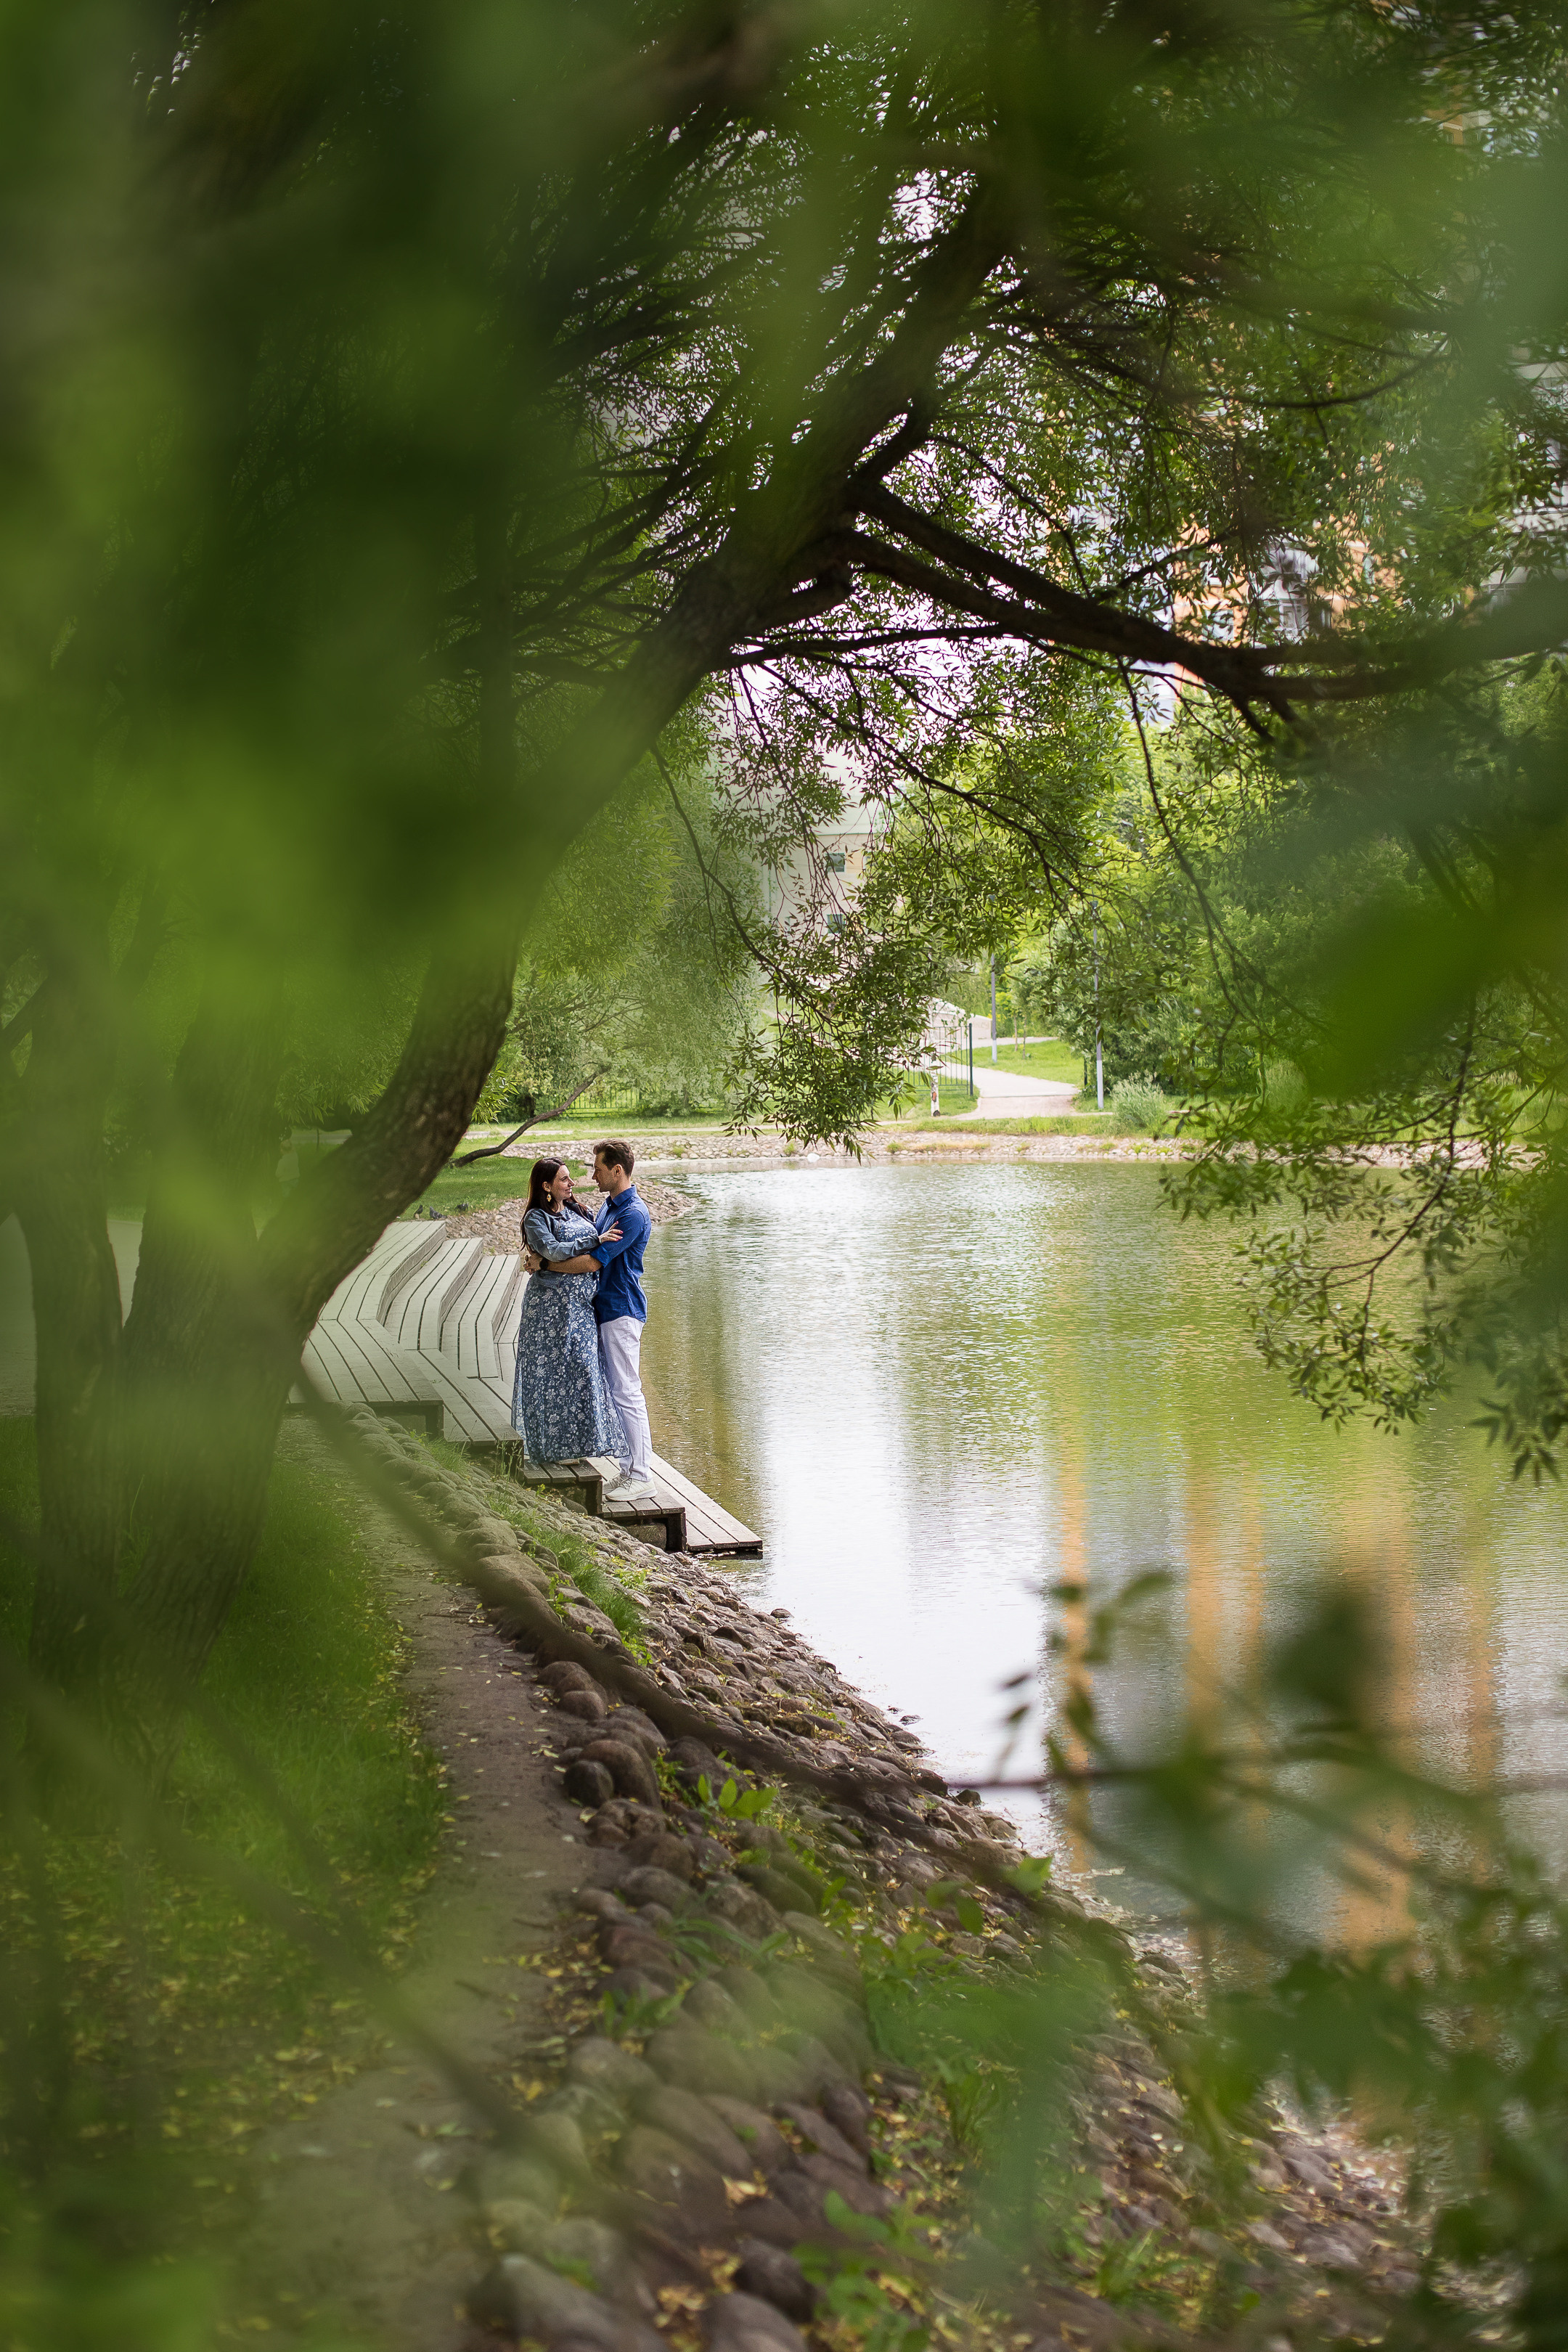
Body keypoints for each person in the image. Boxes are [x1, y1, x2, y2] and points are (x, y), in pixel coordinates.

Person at [523, 1139, 655, 1505]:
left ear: (617, 1171)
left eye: (597, 1168)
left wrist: (545, 1265)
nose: (591, 1174)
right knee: (616, 1390)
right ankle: (629, 1470)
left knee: (627, 1392)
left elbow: (594, 1261)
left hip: (621, 1309)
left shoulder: (632, 1214)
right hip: (600, 1308)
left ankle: (642, 1476)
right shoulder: (608, 1207)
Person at [510, 1156, 626, 1464]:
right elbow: (553, 1251)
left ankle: (579, 1444)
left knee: (581, 1371)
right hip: (550, 1310)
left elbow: (551, 1258)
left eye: (570, 1177)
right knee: (552, 1375)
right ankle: (554, 1448)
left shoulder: (577, 1208)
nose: (572, 1183)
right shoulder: (536, 1218)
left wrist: (545, 1263)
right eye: (564, 1179)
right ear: (546, 1187)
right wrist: (595, 1239)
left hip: (581, 1309)